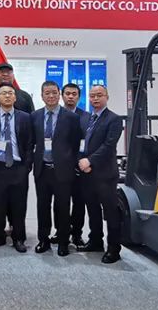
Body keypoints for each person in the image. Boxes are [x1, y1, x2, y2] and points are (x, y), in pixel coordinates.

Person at [31, 81, 83, 257]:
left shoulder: (71, 118)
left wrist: (70, 162)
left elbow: (75, 144)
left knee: (62, 207)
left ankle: (63, 241)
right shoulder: (35, 116)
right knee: (42, 206)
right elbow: (32, 142)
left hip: (63, 170)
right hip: (42, 169)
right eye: (47, 93)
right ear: (42, 96)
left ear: (59, 94)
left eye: (54, 92)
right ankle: (43, 239)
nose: (51, 96)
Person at [77, 85, 124, 264]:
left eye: (99, 95)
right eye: (92, 96)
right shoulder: (87, 118)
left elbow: (108, 145)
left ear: (107, 97)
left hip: (105, 175)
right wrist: (82, 163)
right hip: (87, 173)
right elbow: (81, 143)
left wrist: (90, 161)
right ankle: (96, 241)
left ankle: (113, 249)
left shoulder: (114, 119)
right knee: (93, 210)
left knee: (110, 212)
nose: (95, 99)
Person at [0, 83, 34, 252]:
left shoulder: (25, 117)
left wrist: (27, 166)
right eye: (3, 93)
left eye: (10, 93)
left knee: (19, 205)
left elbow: (29, 143)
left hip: (18, 166)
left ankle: (18, 238)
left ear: (15, 97)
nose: (7, 96)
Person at [60, 82, 89, 247]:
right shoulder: (56, 115)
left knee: (79, 202)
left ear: (78, 97)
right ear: (62, 96)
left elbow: (87, 142)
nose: (70, 97)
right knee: (61, 202)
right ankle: (60, 231)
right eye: (67, 93)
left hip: (80, 166)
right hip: (60, 167)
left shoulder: (86, 117)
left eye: (74, 94)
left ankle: (77, 234)